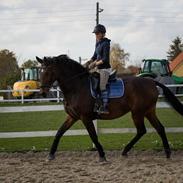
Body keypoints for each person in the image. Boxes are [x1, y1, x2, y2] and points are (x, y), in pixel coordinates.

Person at [89, 24, 111, 114]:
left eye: (97, 33)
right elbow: (94, 56)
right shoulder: (98, 43)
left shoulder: (106, 44)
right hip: (98, 69)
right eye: (95, 34)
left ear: (103, 34)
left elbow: (105, 59)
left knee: (102, 86)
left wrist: (94, 64)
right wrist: (87, 63)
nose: (96, 35)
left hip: (105, 69)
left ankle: (104, 106)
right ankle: (96, 103)